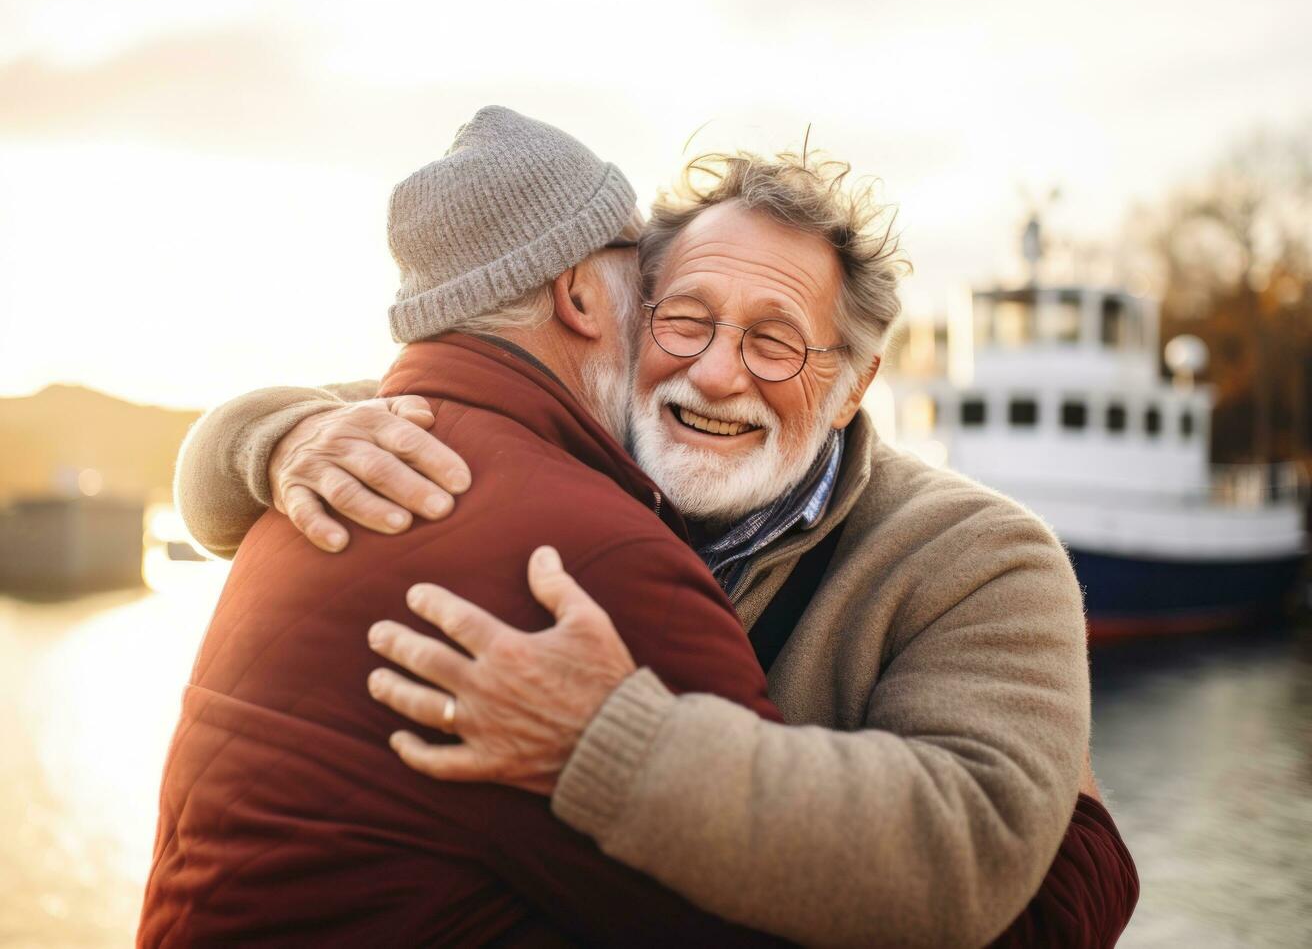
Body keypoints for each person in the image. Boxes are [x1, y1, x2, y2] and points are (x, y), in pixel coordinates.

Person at [175, 129, 1138, 945]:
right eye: (685, 319)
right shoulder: (559, 447)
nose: (718, 374)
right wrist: (280, 436)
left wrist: (613, 742)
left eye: (775, 342)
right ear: (626, 320)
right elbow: (264, 456)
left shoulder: (979, 559)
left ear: (853, 383)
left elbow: (968, 852)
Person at [140, 106, 793, 947]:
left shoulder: (314, 488)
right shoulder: (602, 558)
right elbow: (783, 912)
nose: (664, 301)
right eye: (645, 266)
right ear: (581, 295)